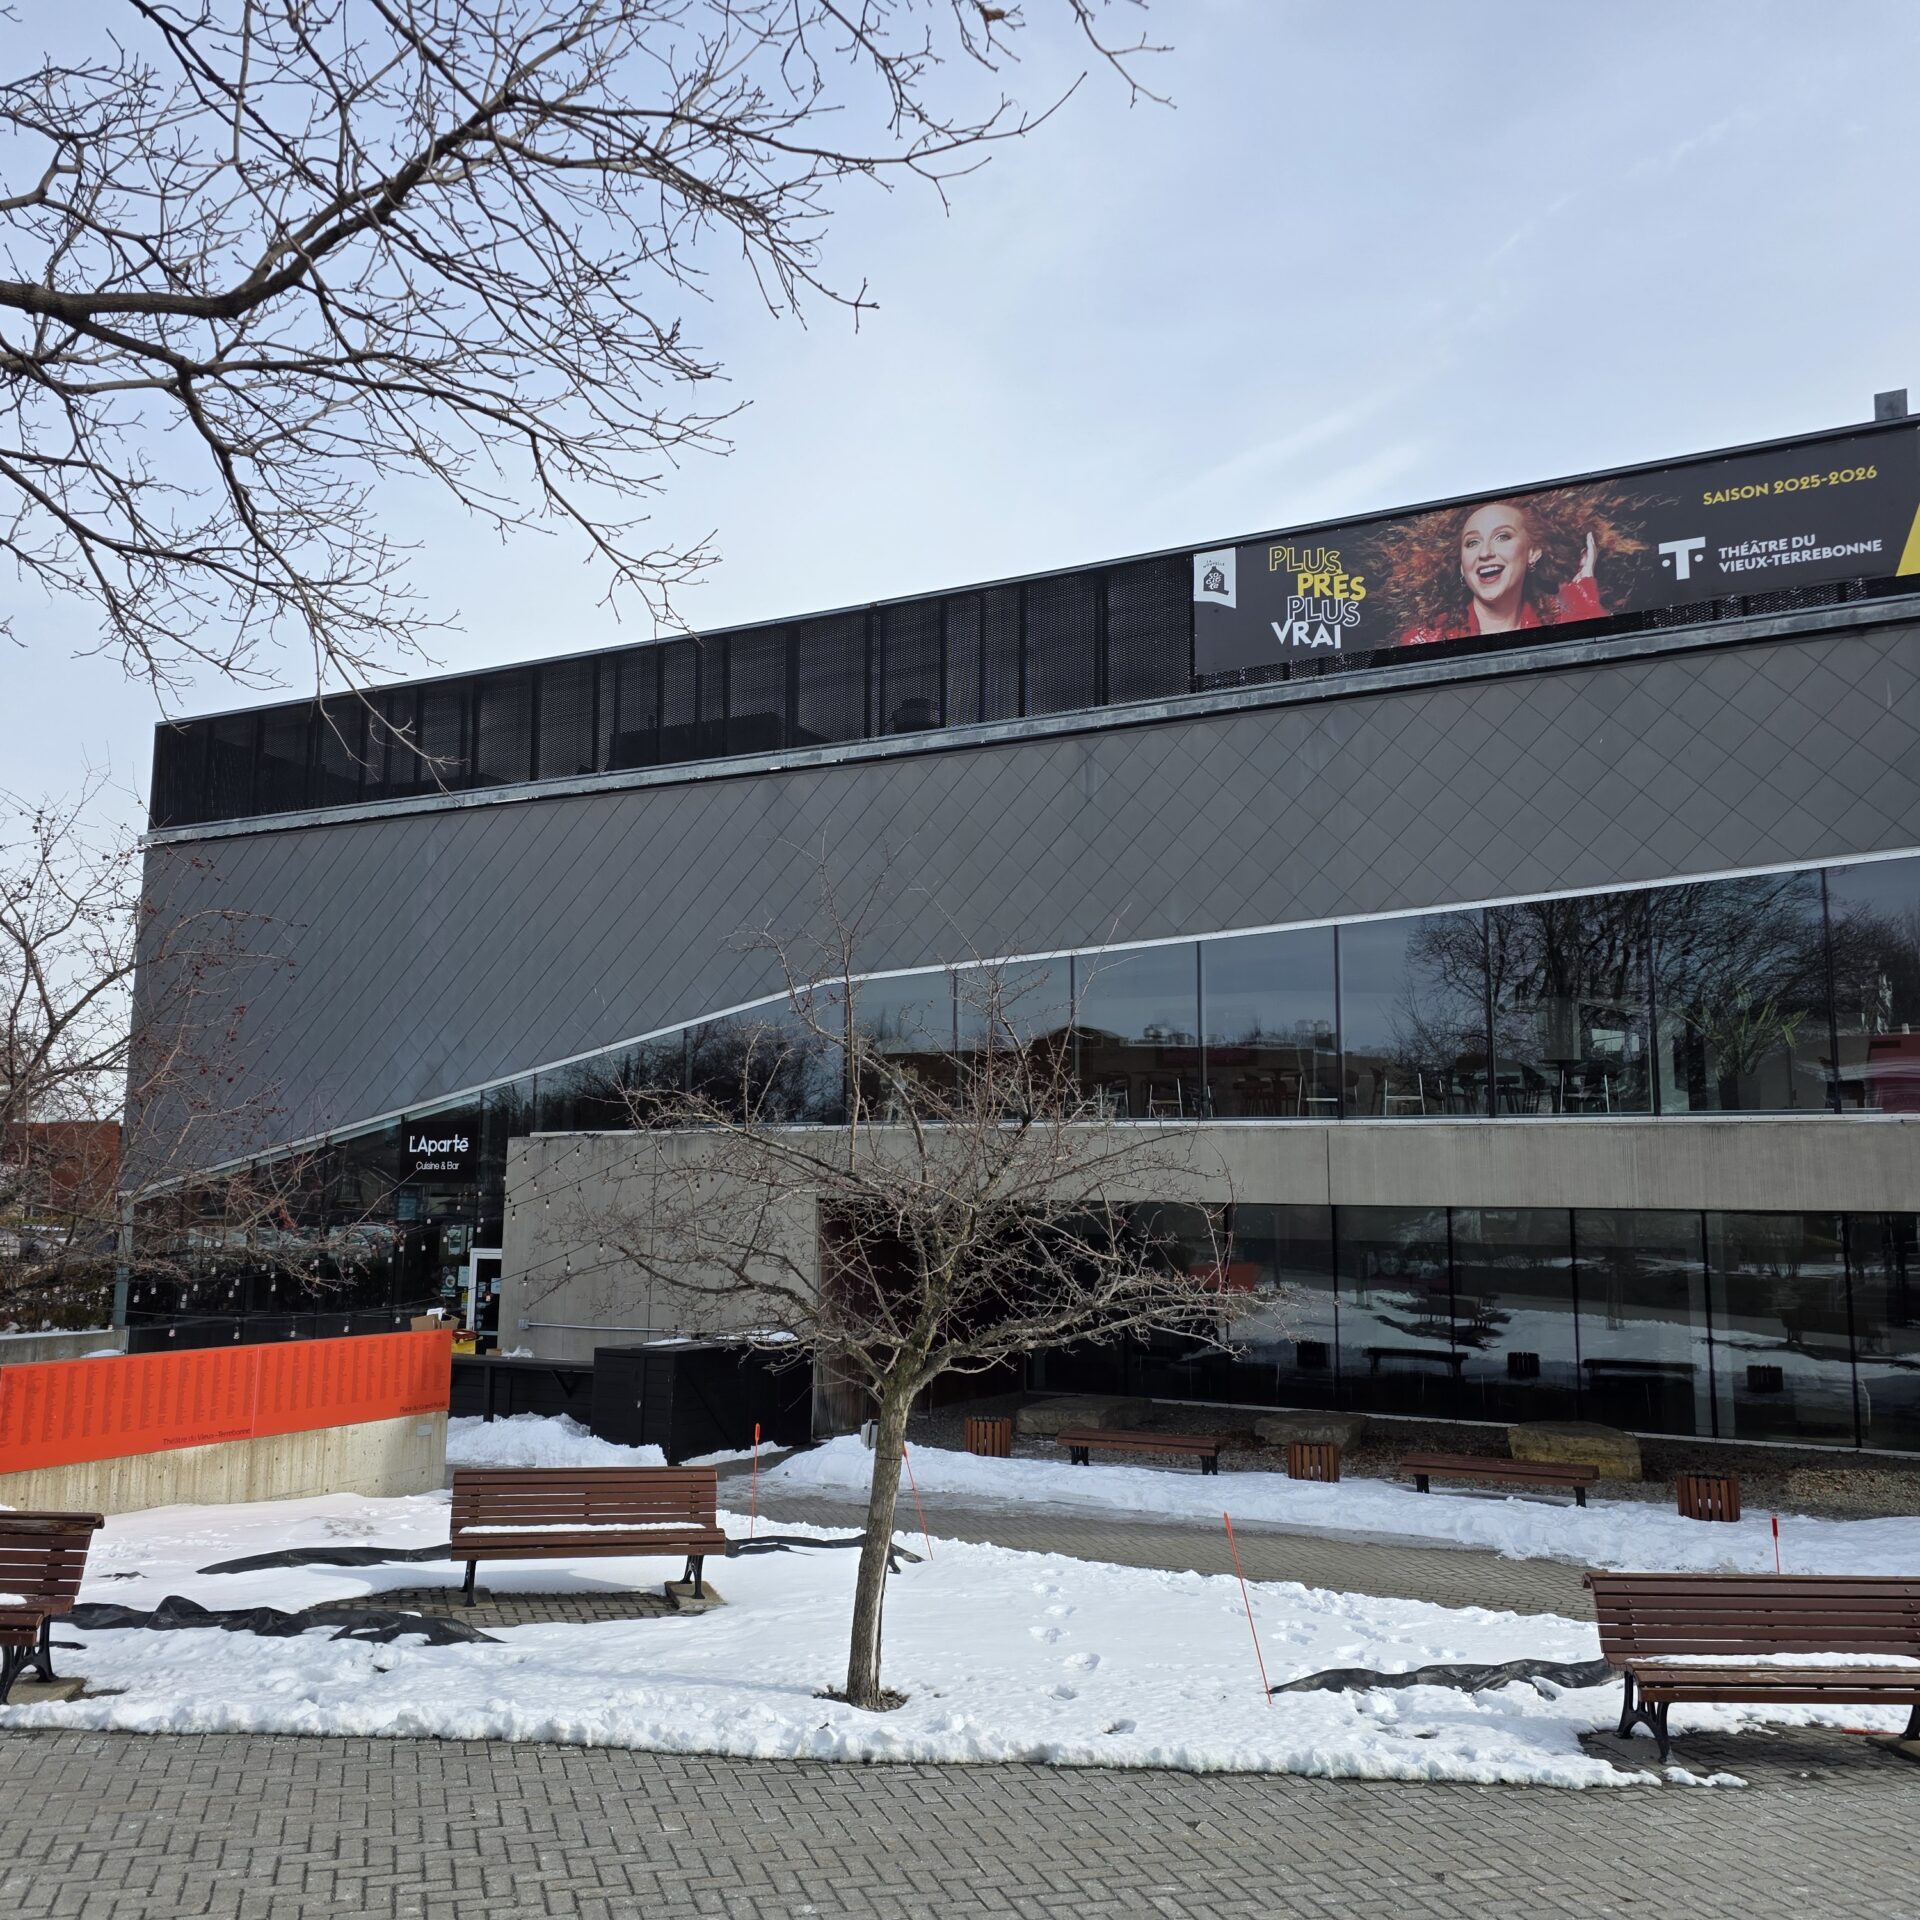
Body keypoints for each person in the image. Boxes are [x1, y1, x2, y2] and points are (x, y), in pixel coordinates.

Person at [1396, 498, 1605, 647]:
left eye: (1502, 537)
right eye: (1472, 542)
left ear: (1533, 552)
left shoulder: (1563, 621)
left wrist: (1582, 598)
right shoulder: (1427, 639)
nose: (1485, 552)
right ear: (1462, 565)